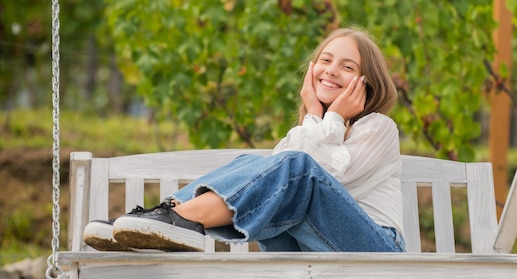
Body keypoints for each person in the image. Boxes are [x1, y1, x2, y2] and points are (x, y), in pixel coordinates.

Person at [82, 26, 405, 253]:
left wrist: (328, 116)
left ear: (367, 83)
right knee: (254, 164)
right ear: (311, 69)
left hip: (373, 250)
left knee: (295, 166)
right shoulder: (305, 131)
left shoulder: (378, 128)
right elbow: (282, 188)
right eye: (325, 60)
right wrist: (315, 119)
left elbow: (324, 179)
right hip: (304, 246)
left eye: (347, 67)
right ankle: (168, 215)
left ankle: (180, 220)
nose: (331, 70)